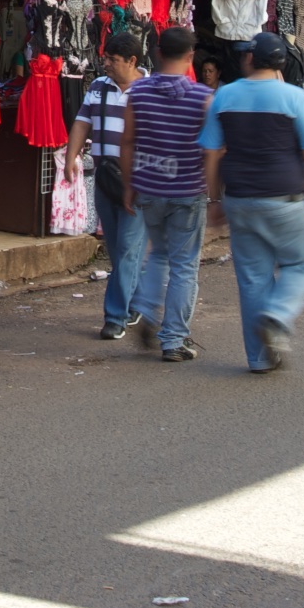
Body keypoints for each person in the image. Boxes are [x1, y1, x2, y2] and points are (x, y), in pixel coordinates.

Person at [199, 32, 304, 373]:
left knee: (252, 279)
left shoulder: (225, 95)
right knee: (302, 265)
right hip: (285, 200)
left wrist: (215, 198)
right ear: (282, 63)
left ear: (249, 59)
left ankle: (260, 359)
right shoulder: (294, 98)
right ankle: (277, 317)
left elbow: (212, 152)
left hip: (240, 200)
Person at [120, 28, 214, 361]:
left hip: (149, 188)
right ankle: (173, 339)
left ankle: (146, 308)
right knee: (184, 266)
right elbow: (211, 149)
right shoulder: (203, 97)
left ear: (157, 53)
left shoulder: (138, 92)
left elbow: (127, 141)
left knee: (158, 254)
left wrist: (129, 186)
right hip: (187, 191)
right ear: (190, 57)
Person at [66, 32, 148, 339]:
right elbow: (82, 122)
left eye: (113, 60)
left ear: (132, 61)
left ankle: (115, 317)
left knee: (128, 248)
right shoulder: (98, 87)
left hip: (138, 182)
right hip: (105, 179)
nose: (107, 64)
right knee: (118, 249)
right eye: (106, 58)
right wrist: (70, 158)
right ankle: (136, 303)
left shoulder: (149, 89)